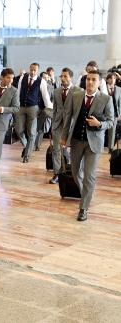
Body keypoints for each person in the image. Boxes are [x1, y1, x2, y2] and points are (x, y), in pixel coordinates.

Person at [61, 70, 114, 221]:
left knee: (89, 176)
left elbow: (111, 122)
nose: (90, 82)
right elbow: (68, 117)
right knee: (76, 172)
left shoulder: (105, 99)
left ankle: (83, 208)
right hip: (76, 140)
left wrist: (99, 124)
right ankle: (87, 192)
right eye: (88, 79)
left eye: (94, 80)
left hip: (94, 143)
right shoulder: (76, 95)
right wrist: (64, 137)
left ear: (99, 82)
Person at [15, 63, 53, 163]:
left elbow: (46, 97)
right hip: (21, 107)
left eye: (34, 70)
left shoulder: (42, 81)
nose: (32, 72)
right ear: (29, 69)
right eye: (31, 69)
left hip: (33, 108)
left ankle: (27, 155)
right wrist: (16, 105)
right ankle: (27, 146)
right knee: (18, 130)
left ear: (37, 71)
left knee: (31, 133)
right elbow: (18, 92)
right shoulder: (22, 77)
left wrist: (50, 109)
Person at [49, 68, 75, 184]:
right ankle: (57, 174)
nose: (63, 78)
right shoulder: (56, 91)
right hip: (58, 124)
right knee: (56, 150)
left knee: (72, 150)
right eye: (61, 76)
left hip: (72, 125)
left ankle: (72, 172)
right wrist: (53, 124)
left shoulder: (78, 91)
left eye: (65, 76)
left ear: (71, 77)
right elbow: (54, 110)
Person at [34, 71, 55, 151]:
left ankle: (37, 145)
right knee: (34, 127)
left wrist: (50, 106)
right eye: (44, 78)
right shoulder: (36, 85)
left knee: (41, 129)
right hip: (36, 109)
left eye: (47, 78)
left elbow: (53, 98)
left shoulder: (51, 87)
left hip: (45, 110)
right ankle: (31, 143)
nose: (46, 79)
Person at [106, 72, 121, 152]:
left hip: (114, 113)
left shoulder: (118, 89)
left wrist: (119, 113)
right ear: (107, 79)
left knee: (112, 131)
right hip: (104, 113)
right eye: (110, 78)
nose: (112, 80)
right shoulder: (103, 87)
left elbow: (119, 102)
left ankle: (110, 148)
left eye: (114, 78)